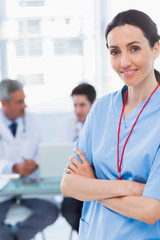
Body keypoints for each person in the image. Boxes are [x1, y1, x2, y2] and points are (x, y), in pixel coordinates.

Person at [61, 9, 160, 240]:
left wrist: (92, 186)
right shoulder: (101, 109)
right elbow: (68, 185)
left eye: (134, 48)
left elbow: (151, 210)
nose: (124, 62)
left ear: (156, 48)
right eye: (115, 52)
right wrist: (129, 188)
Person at [0, 79, 58, 240]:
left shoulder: (33, 121)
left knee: (50, 212)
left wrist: (34, 164)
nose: (24, 105)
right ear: (4, 103)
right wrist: (13, 167)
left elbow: (41, 151)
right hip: (2, 190)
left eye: (24, 100)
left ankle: (16, 236)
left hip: (30, 187)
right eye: (19, 102)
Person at [56, 83, 96, 232]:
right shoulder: (66, 124)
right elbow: (58, 151)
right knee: (68, 210)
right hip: (75, 180)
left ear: (93, 102)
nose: (78, 110)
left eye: (82, 105)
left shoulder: (102, 122)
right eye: (75, 105)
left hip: (96, 180)